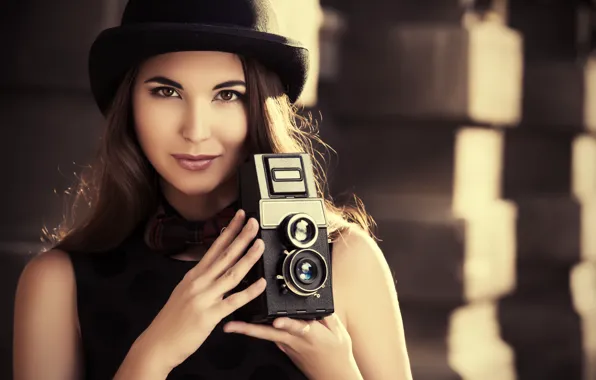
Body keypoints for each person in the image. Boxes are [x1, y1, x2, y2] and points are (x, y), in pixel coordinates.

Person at [13, 0, 412, 379]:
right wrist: (152, 355)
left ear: (259, 106)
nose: (196, 130)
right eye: (166, 92)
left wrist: (337, 373)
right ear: (129, 105)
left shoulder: (345, 259)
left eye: (227, 95)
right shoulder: (58, 283)